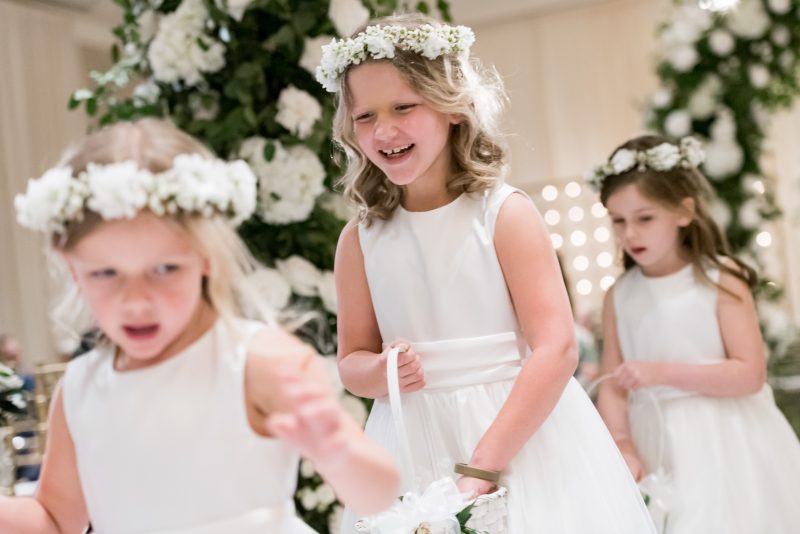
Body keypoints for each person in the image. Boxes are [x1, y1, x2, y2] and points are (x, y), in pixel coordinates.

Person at [320, 13, 656, 533]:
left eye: (404, 106)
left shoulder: (503, 214)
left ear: (452, 106)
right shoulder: (360, 241)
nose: (384, 130)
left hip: (518, 439)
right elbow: (351, 361)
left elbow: (556, 348)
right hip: (412, 442)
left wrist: (482, 466)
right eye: (365, 116)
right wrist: (381, 370)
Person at [0, 118, 399, 534]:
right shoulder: (81, 387)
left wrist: (336, 450)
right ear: (74, 271)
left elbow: (378, 494)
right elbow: (55, 521)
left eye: (164, 269)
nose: (136, 300)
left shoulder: (258, 362)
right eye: (105, 273)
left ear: (206, 257)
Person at [593, 134, 800, 533]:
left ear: (684, 211)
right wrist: (623, 443)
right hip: (657, 445)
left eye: (644, 218)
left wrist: (662, 373)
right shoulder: (619, 295)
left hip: (728, 440)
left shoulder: (720, 279)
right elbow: (612, 384)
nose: (629, 234)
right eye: (618, 221)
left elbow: (749, 373)